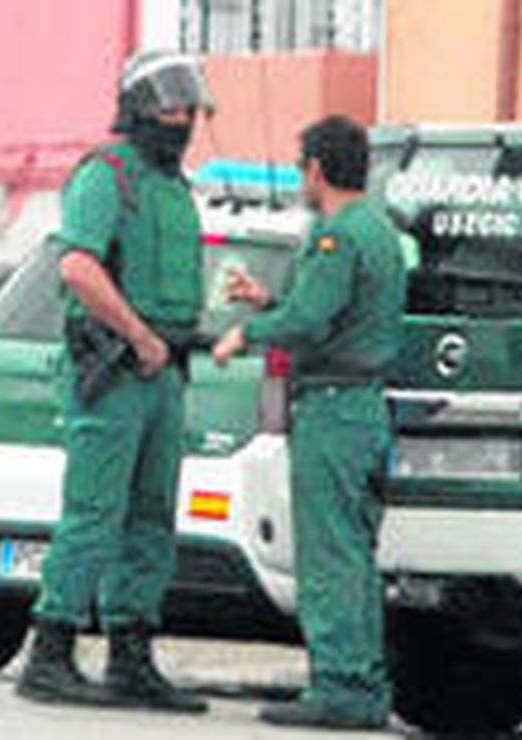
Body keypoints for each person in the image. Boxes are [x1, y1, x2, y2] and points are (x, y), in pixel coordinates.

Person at [15, 50, 213, 713]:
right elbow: (76, 267)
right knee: (94, 514)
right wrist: (139, 334)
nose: (181, 120)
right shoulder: (108, 175)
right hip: (115, 369)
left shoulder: (176, 186)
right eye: (169, 107)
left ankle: (132, 654)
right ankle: (51, 651)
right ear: (136, 107)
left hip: (165, 373)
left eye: (189, 109)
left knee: (153, 517)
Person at [214, 115, 407, 730]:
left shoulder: (335, 236)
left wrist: (247, 331)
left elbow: (312, 323)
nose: (301, 178)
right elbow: (332, 311)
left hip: (333, 409)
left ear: (317, 169)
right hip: (366, 408)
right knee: (353, 550)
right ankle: (364, 681)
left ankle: (341, 686)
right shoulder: (377, 230)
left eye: (302, 168)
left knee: (329, 555)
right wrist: (270, 301)